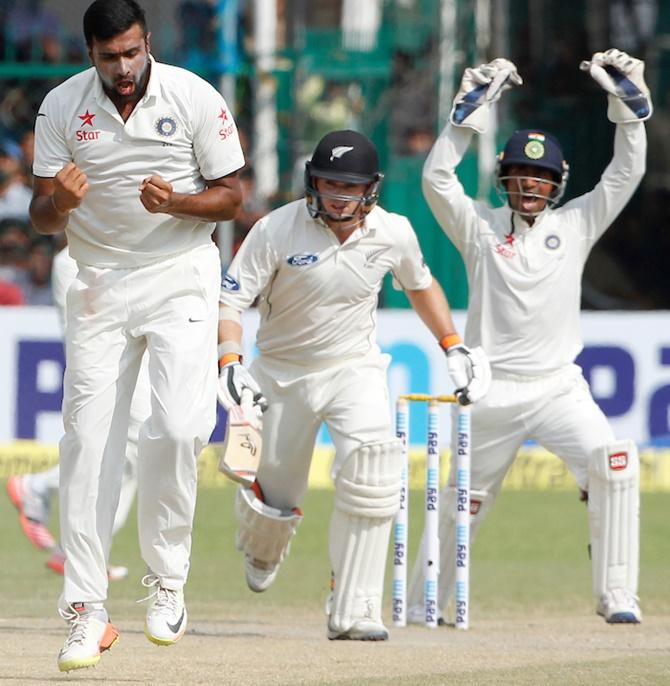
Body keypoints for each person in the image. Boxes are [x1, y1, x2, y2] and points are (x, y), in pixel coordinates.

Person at [29, 0, 244, 672]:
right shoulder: (62, 107)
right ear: (90, 52)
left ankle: (168, 578)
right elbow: (40, 216)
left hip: (180, 271)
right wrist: (60, 201)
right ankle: (85, 611)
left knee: (180, 429)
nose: (122, 68)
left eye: (130, 52)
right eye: (108, 57)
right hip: (97, 278)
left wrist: (176, 202)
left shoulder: (193, 95)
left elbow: (232, 194)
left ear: (146, 41)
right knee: (89, 441)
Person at [217, 129, 490, 641]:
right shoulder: (277, 229)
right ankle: (263, 543)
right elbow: (231, 301)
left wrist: (453, 343)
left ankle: (355, 606)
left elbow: (420, 283)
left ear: (371, 189)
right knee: (272, 503)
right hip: (280, 372)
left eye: (349, 186)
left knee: (374, 473)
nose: (337, 195)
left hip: (354, 369)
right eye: (327, 183)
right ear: (311, 182)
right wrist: (230, 360)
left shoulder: (393, 232)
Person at [407, 49, 650, 625]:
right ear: (505, 181)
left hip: (559, 388)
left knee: (613, 463)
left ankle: (617, 593)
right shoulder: (480, 229)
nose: (530, 186)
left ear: (557, 184)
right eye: (521, 176)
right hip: (491, 390)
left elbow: (626, 173)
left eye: (541, 178)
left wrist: (630, 112)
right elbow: (437, 179)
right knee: (460, 502)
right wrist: (464, 120)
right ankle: (422, 603)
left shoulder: (577, 225)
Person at [6, 243, 148, 580]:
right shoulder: (72, 260)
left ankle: (81, 551)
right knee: (132, 434)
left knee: (128, 448)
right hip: (96, 273)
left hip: (116, 270)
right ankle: (39, 488)